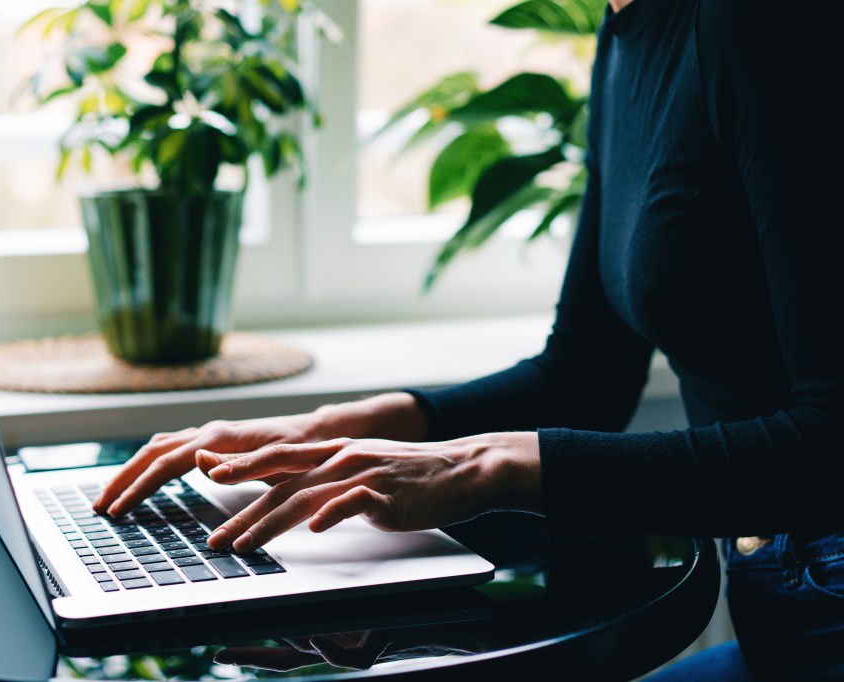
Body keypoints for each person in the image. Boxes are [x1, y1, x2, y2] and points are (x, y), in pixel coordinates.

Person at [94, 0, 844, 678]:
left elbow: (830, 444)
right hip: (774, 607)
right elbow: (587, 372)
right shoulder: (626, 34)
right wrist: (337, 429)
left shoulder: (767, 25)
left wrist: (488, 462)